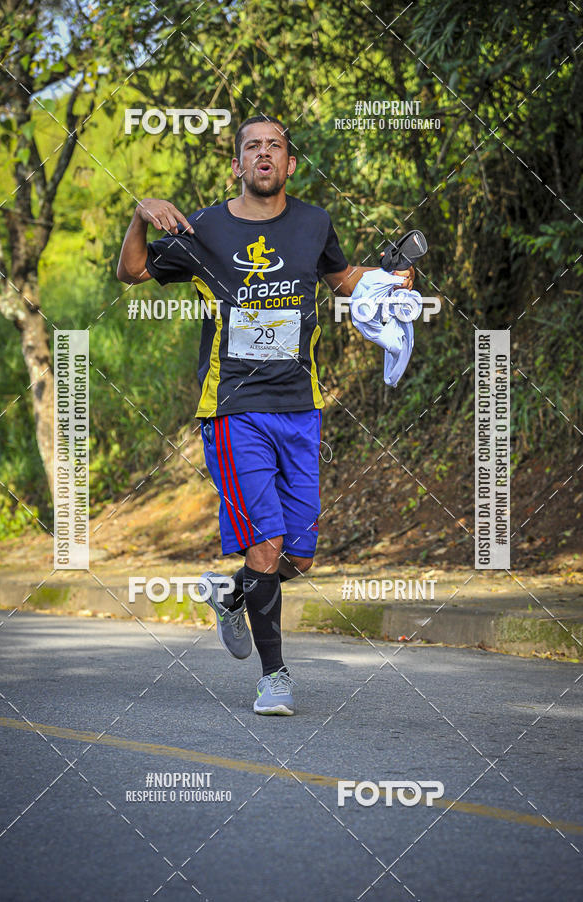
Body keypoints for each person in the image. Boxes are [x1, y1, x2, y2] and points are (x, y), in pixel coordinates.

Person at [116, 115, 414, 716]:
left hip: (300, 408)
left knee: (297, 557)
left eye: (275, 146)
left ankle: (232, 592)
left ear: (289, 163)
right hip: (233, 410)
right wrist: (140, 213)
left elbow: (341, 280)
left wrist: (387, 279)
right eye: (251, 146)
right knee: (267, 541)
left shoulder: (313, 223)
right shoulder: (203, 228)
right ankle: (274, 676)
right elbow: (131, 271)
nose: (263, 155)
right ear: (237, 164)